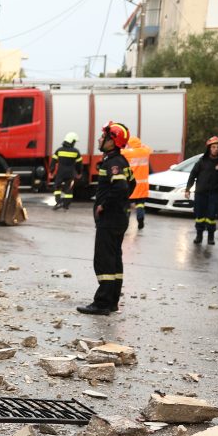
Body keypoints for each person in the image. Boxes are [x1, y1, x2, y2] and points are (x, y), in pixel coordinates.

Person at [77, 121, 135, 316]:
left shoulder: (114, 163)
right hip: (118, 218)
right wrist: (121, 204)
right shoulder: (119, 161)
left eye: (104, 137)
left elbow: (121, 188)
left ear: (113, 141)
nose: (100, 139)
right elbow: (132, 184)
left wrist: (104, 205)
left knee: (104, 261)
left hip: (110, 219)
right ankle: (112, 302)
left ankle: (101, 303)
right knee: (114, 260)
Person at [184, 136, 218, 245]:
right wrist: (187, 189)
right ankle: (199, 235)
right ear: (209, 148)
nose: (215, 149)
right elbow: (192, 175)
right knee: (199, 216)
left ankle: (211, 237)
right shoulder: (201, 161)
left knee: (211, 216)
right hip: (201, 194)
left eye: (217, 147)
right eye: (213, 147)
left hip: (215, 194)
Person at [121, 135, 151, 229]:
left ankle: (125, 221)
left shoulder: (128, 152)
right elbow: (148, 148)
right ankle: (140, 220)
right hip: (142, 184)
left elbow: (119, 151)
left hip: (131, 183)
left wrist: (126, 146)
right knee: (140, 204)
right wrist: (141, 145)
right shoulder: (145, 152)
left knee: (127, 204)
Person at [51, 132, 82, 210]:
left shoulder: (59, 150)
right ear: (71, 141)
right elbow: (79, 165)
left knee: (57, 187)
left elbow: (53, 162)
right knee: (69, 189)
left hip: (60, 173)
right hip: (70, 174)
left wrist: (51, 171)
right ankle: (66, 205)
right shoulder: (76, 152)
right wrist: (79, 173)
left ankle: (58, 202)